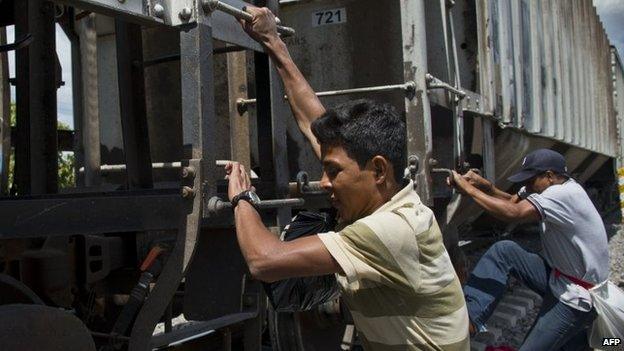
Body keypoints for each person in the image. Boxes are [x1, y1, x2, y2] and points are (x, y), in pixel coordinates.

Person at [223, 7, 470, 350]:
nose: (324, 183)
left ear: (379, 170)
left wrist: (242, 199)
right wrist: (273, 43)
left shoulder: (392, 230)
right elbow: (314, 121)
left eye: (334, 172)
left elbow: (264, 260)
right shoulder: (395, 203)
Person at [448, 149, 610, 350]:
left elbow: (513, 212)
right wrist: (486, 187)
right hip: (561, 277)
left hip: (577, 296)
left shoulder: (563, 195)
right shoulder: (553, 188)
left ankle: (605, 342)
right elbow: (512, 201)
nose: (526, 186)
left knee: (569, 343)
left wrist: (469, 190)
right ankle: (470, 320)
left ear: (549, 176)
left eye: (530, 180)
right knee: (504, 251)